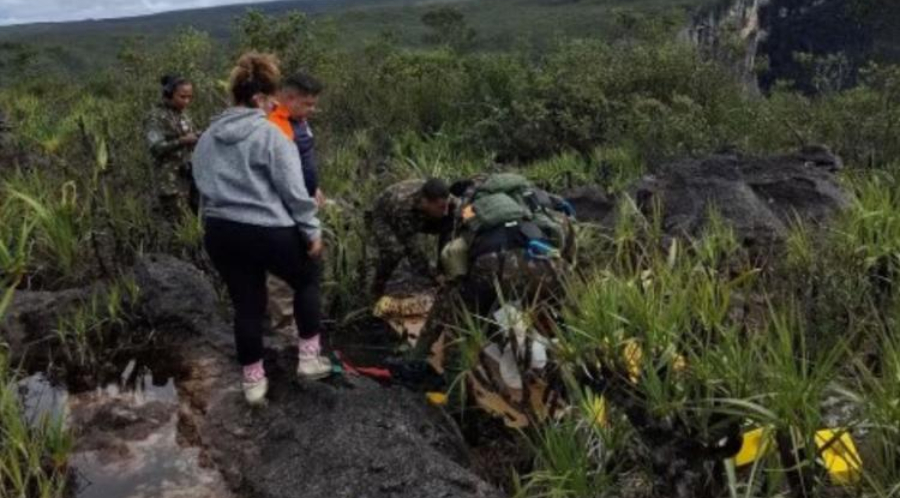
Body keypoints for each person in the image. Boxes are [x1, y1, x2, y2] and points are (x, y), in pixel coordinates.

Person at [192, 52, 328, 405]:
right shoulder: (270, 135)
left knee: (247, 305)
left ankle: (253, 383)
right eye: (272, 100)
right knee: (309, 278)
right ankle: (310, 361)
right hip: (268, 230)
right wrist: (312, 231)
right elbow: (295, 192)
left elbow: (200, 185)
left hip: (220, 231)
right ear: (258, 98)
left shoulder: (206, 137)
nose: (274, 107)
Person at [267, 72, 325, 337]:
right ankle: (282, 327)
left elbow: (304, 160)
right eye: (307, 104)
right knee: (280, 267)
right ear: (288, 97)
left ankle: (299, 317)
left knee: (302, 261)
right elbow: (276, 172)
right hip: (282, 206)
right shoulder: (272, 124)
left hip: (303, 201)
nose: (312, 110)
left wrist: (315, 189)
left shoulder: (299, 121)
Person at [368, 178, 455, 296]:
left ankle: (443, 269)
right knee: (394, 251)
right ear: (426, 202)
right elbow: (413, 250)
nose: (445, 211)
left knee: (451, 220)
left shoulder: (443, 198)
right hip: (385, 216)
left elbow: (464, 208)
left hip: (421, 214)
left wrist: (476, 214)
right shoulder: (402, 209)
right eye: (441, 207)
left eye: (446, 206)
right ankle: (377, 288)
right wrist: (434, 275)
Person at [145, 75, 199, 218]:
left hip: (188, 181)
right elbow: (156, 148)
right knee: (179, 226)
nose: (186, 101)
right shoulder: (156, 117)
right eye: (182, 97)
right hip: (170, 185)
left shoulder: (184, 115)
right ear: (169, 94)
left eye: (189, 97)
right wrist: (182, 141)